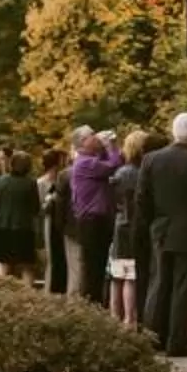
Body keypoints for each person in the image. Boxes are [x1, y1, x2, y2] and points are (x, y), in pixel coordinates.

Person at [141, 112, 187, 355]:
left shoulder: (151, 160)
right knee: (183, 287)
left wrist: (152, 222)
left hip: (160, 227)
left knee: (159, 283)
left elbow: (142, 198)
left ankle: (153, 336)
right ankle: (176, 340)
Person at [68, 130, 117, 305]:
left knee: (98, 264)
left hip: (95, 220)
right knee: (92, 266)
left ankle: (94, 302)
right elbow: (112, 166)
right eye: (92, 135)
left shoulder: (90, 161)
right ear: (83, 142)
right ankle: (90, 303)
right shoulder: (85, 163)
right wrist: (111, 146)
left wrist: (104, 149)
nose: (96, 137)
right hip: (92, 221)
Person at [108, 132, 148, 328]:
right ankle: (130, 318)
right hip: (134, 227)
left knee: (117, 276)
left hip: (119, 224)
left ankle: (115, 316)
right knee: (130, 276)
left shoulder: (120, 173)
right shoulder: (142, 173)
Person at [0, 147, 44, 278]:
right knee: (27, 266)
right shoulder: (30, 183)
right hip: (24, 229)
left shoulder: (2, 180)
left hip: (3, 228)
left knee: (3, 264)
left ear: (12, 163)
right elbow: (35, 208)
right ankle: (27, 291)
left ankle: (0, 290)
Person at [40, 150, 72, 294]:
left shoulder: (65, 180)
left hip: (63, 223)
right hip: (50, 223)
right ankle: (49, 292)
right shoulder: (41, 183)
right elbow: (38, 208)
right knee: (52, 259)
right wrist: (50, 201)